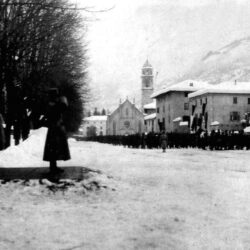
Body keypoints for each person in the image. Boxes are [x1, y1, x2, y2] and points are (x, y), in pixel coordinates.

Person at [43, 88, 71, 173]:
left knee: (54, 148)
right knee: (53, 148)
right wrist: (62, 99)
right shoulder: (52, 103)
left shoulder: (53, 102)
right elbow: (62, 107)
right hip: (54, 128)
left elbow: (63, 106)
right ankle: (53, 167)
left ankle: (53, 167)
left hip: (55, 127)